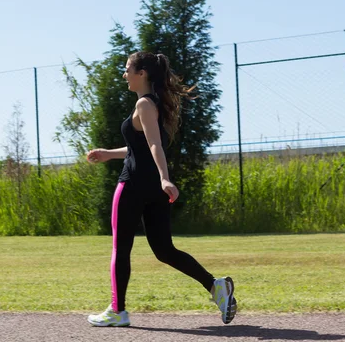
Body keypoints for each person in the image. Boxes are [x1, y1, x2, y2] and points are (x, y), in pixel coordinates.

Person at [86, 52, 237, 327]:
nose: (124, 75)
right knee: (165, 251)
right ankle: (216, 287)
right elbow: (141, 148)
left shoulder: (144, 104)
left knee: (121, 249)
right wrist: (109, 154)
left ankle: (118, 311)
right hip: (153, 190)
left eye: (127, 69)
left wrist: (165, 178)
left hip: (132, 186)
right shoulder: (154, 104)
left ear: (141, 73)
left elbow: (155, 145)